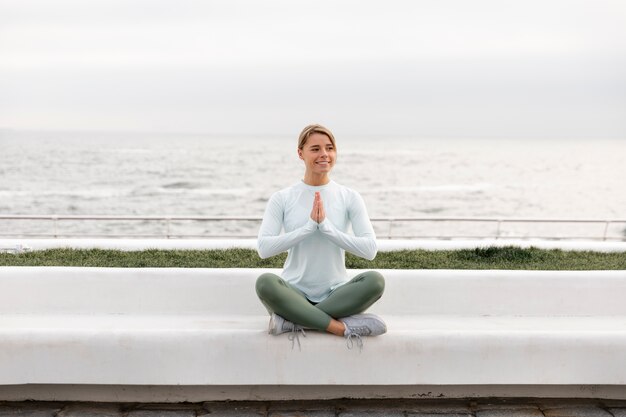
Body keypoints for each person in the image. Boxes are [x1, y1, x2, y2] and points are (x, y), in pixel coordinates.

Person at [255, 124, 386, 350]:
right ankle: (340, 327)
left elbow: (370, 249)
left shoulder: (349, 197)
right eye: (315, 149)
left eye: (329, 148)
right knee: (265, 283)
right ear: (300, 153)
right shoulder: (283, 198)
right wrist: (307, 228)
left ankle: (294, 321)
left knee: (375, 281)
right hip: (293, 294)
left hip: (337, 295)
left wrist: (326, 228)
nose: (324, 154)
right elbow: (264, 248)